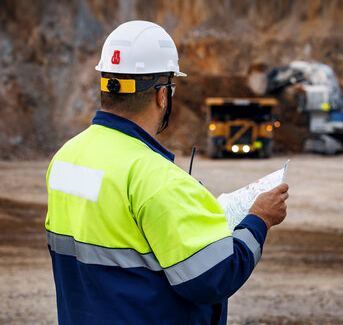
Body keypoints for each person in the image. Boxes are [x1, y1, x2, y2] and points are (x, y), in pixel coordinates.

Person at [45, 20, 288, 325]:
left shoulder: (66, 158)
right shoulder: (157, 179)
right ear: (162, 95)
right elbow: (214, 276)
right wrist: (259, 220)